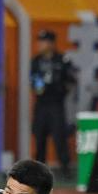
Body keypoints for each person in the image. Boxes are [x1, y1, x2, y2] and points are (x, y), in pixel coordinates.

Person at [30, 30, 75, 178]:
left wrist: (61, 90)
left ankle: (65, 169)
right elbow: (33, 80)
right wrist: (38, 88)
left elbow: (71, 80)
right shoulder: (36, 61)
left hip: (56, 103)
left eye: (43, 41)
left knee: (59, 137)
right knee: (39, 137)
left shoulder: (62, 60)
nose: (40, 45)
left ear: (51, 43)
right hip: (41, 104)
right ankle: (38, 171)